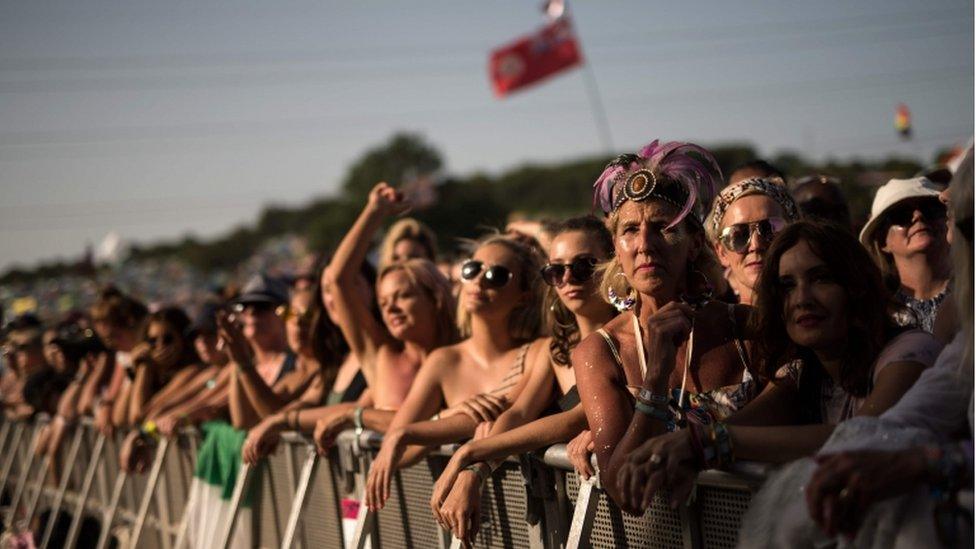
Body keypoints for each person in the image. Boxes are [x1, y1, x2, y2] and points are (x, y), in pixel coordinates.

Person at [616, 221, 942, 515]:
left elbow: (865, 436)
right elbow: (740, 431)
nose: (802, 299)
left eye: (821, 278)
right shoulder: (803, 373)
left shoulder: (909, 352)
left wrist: (707, 445)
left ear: (856, 287)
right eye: (787, 285)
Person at [779, 149, 974, 548]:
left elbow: (874, 428)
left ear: (854, 289)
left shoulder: (914, 345)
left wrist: (927, 463)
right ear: (881, 239)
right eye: (902, 216)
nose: (803, 299)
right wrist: (703, 441)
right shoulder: (794, 368)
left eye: (936, 213)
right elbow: (890, 426)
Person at [573, 140, 757, 513]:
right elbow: (622, 487)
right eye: (629, 230)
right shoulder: (600, 351)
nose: (645, 244)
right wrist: (655, 377)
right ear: (615, 246)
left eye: (663, 227)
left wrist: (698, 448)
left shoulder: (745, 329)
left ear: (693, 243)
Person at [429, 216, 617, 542]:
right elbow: (518, 413)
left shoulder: (628, 336)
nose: (569, 277)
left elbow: (577, 417)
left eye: (584, 265)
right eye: (556, 270)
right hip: (580, 519)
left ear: (612, 264)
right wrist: (476, 469)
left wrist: (469, 453)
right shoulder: (557, 350)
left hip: (636, 511)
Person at [361, 231, 545, 512]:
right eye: (472, 269)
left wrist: (422, 432)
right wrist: (443, 417)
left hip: (529, 513)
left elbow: (506, 414)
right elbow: (399, 445)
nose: (479, 280)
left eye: (497, 275)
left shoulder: (538, 352)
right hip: (459, 517)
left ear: (523, 296)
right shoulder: (444, 361)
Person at [240, 260, 372, 465]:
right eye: (327, 290)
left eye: (308, 315)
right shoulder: (336, 363)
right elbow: (301, 405)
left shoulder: (380, 353)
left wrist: (281, 421)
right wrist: (275, 422)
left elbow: (360, 408)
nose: (298, 323)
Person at [860, 177, 952, 332]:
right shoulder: (876, 313)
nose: (918, 216)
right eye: (901, 214)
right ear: (883, 241)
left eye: (930, 208)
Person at [706, 177, 799, 305]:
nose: (756, 245)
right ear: (721, 252)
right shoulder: (706, 323)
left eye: (771, 229)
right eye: (738, 235)